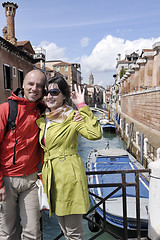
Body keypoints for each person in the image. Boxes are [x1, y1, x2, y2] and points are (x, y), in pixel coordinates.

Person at [36, 74, 102, 239]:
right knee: (65, 230)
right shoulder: (44, 118)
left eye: (54, 92)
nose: (49, 96)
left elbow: (95, 134)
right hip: (52, 178)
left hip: (69, 177)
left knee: (73, 233)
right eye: (46, 92)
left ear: (64, 95)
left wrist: (81, 105)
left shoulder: (72, 116)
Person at [0, 69, 47, 240]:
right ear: (23, 85)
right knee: (7, 233)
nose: (34, 88)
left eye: (39, 86)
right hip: (6, 180)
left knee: (33, 233)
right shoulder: (5, 110)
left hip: (31, 180)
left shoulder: (42, 111)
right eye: (31, 84)